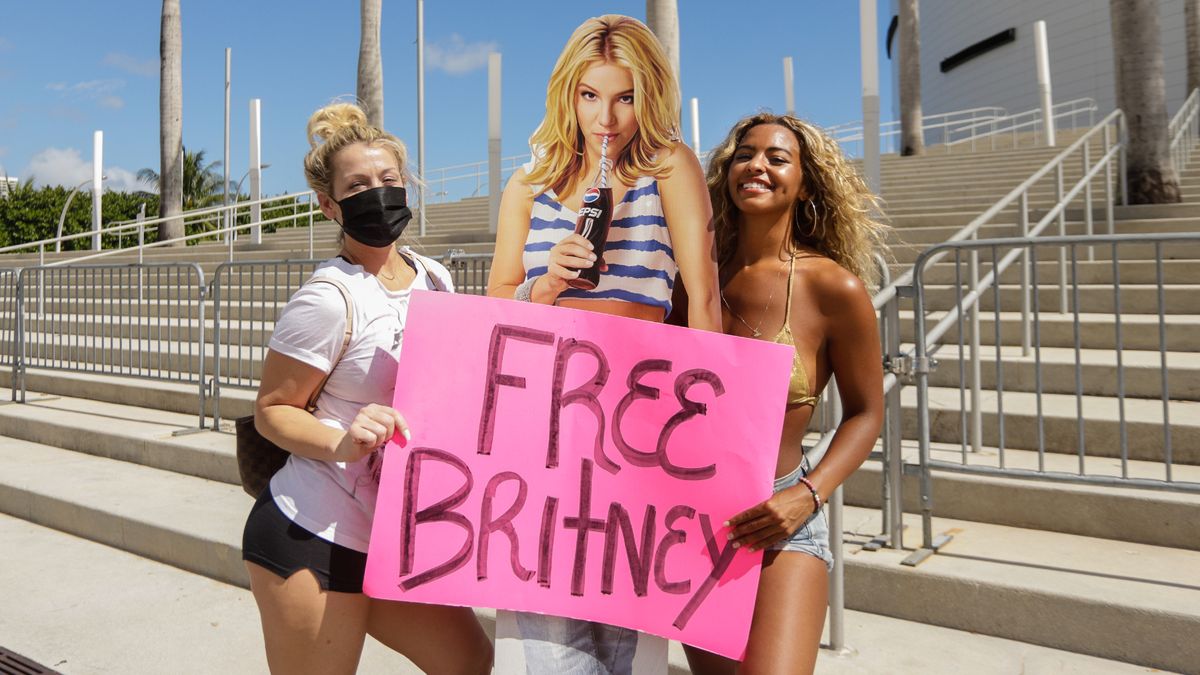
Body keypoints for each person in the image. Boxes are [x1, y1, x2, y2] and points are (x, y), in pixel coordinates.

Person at [486, 14, 721, 674]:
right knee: (548, 645)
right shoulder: (528, 186)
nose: (607, 117)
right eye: (591, 95)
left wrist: (715, 424)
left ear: (647, 96)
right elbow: (494, 306)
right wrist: (544, 284)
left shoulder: (670, 166)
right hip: (545, 431)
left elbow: (701, 299)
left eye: (624, 96)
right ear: (569, 93)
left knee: (629, 646)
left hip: (640, 430)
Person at [241, 102, 492, 675]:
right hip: (313, 532)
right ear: (330, 205)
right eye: (357, 185)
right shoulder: (328, 298)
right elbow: (272, 411)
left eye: (388, 180)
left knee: (469, 660)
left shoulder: (435, 277)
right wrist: (343, 439)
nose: (377, 192)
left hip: (399, 533)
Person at [672, 113, 887, 674]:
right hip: (699, 525)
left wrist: (808, 495)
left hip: (786, 515)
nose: (757, 166)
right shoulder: (693, 281)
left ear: (805, 182)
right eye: (745, 154)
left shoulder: (833, 287)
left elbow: (866, 413)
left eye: (776, 157)